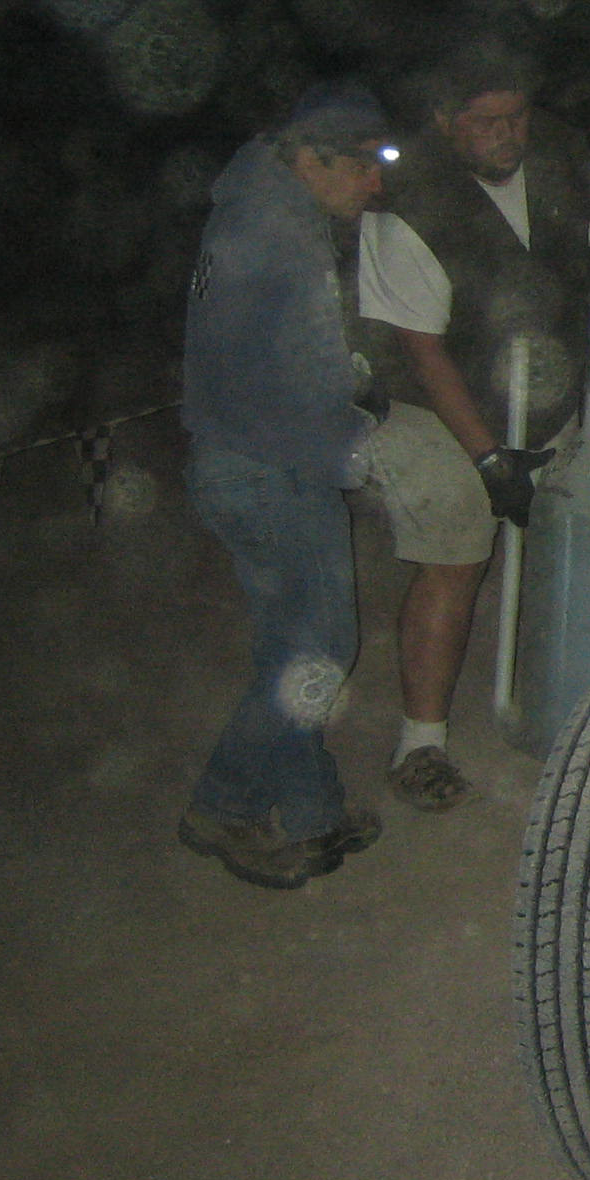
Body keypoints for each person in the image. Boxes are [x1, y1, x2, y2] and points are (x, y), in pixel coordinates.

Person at [356, 45, 590, 811]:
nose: (505, 134)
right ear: (442, 122)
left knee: (566, 549)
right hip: (434, 404)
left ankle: (561, 708)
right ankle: (420, 743)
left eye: (515, 116)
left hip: (545, 391)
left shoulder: (562, 156)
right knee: (456, 554)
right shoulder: (406, 206)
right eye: (484, 122)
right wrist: (492, 461)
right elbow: (423, 351)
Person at [177, 86, 394, 889]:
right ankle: (223, 804)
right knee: (322, 652)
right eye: (363, 165)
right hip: (272, 472)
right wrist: (354, 432)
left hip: (235, 460)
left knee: (290, 647)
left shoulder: (251, 206)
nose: (375, 183)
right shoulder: (279, 229)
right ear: (311, 159)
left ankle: (310, 810)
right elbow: (301, 381)